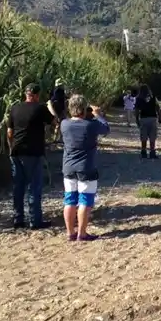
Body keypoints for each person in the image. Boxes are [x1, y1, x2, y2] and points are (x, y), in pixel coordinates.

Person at [6, 83, 57, 229]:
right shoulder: (40, 108)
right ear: (36, 95)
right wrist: (50, 107)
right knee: (34, 187)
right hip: (33, 152)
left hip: (16, 152)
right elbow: (55, 122)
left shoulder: (15, 108)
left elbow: (9, 132)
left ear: (25, 94)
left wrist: (11, 148)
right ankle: (35, 220)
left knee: (18, 187)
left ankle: (18, 219)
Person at [60, 94, 110, 241]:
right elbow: (106, 129)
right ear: (83, 109)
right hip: (86, 167)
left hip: (68, 167)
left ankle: (70, 232)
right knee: (85, 201)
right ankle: (82, 233)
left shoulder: (64, 124)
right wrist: (98, 114)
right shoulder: (91, 125)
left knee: (69, 200)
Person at [135, 85, 161, 159]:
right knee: (152, 136)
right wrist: (160, 117)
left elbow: (137, 110)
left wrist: (137, 119)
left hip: (143, 118)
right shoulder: (153, 97)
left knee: (144, 136)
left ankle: (143, 152)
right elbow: (158, 108)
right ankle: (152, 152)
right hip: (153, 118)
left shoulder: (139, 99)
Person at [50, 78, 68, 146]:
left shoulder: (54, 90)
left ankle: (56, 139)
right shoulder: (59, 91)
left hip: (56, 109)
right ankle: (57, 139)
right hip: (59, 109)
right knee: (60, 124)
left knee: (58, 124)